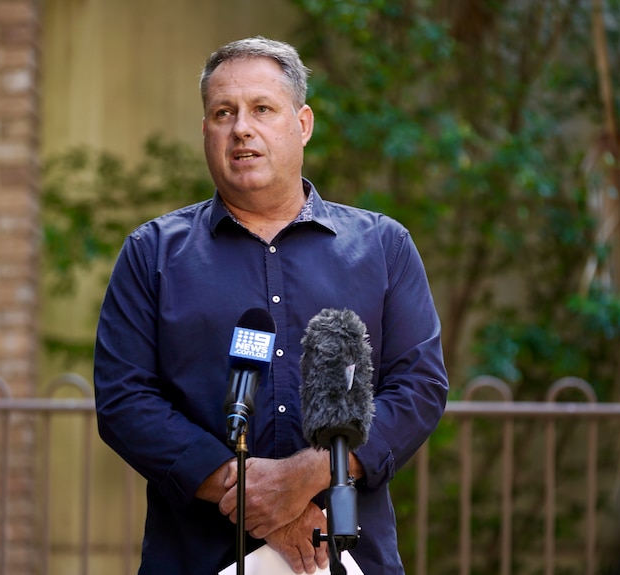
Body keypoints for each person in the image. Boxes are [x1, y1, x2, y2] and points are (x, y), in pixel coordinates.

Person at [94, 36, 449, 575]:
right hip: (197, 556)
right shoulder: (152, 254)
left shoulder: (383, 247)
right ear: (206, 130)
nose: (241, 127)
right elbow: (125, 401)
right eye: (223, 113)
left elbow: (419, 386)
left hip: (350, 554)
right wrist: (255, 502)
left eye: (262, 109)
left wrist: (308, 476)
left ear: (302, 124)